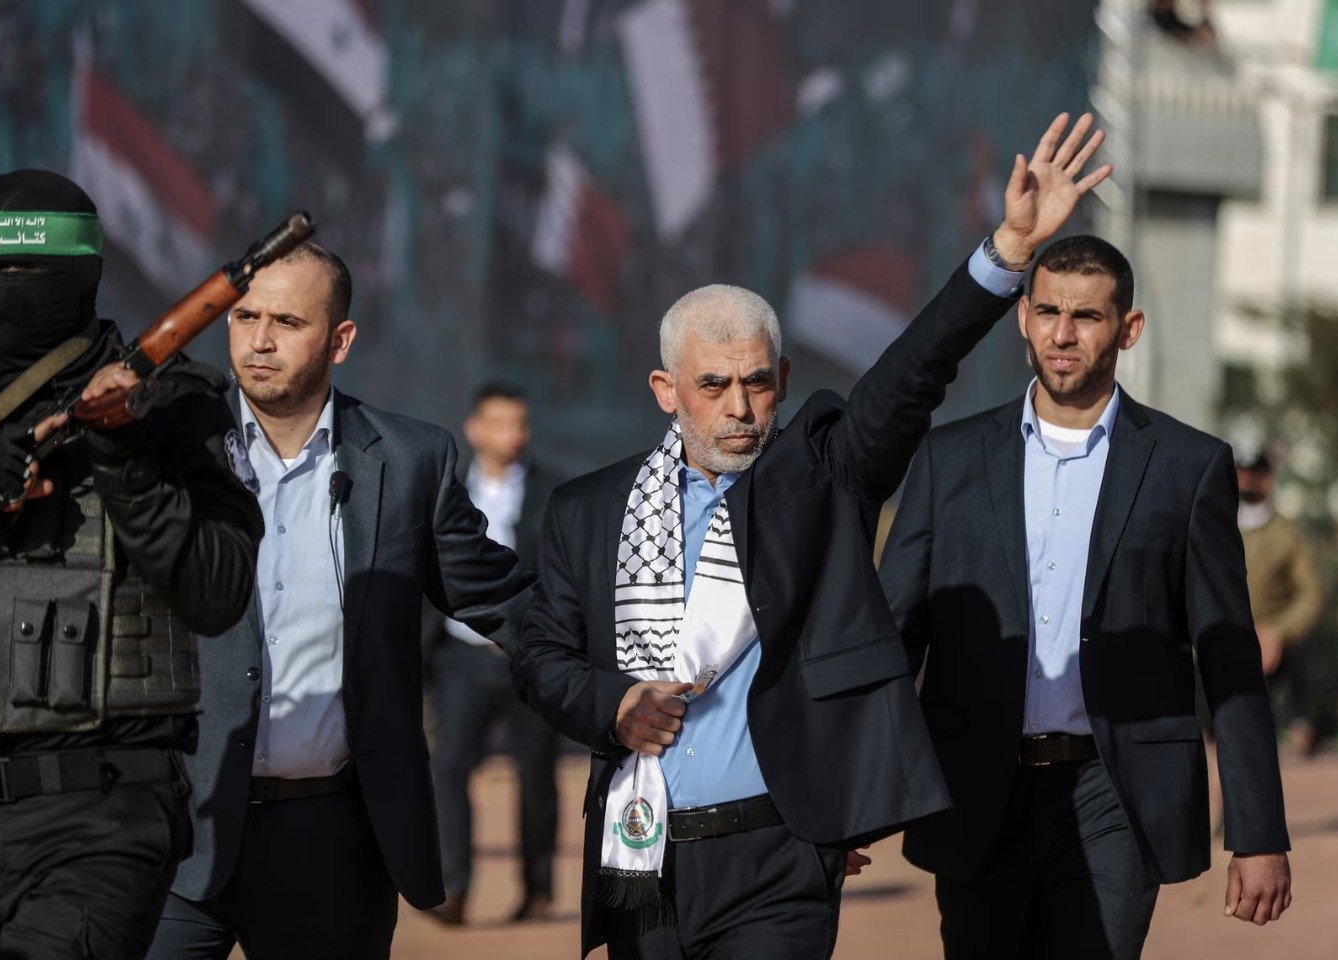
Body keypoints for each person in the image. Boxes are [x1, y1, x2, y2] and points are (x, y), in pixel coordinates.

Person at [512, 113, 1111, 960]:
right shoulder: (588, 511)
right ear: (665, 390)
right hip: (641, 855)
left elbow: (913, 374)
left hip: (780, 858)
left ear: (785, 379)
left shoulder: (823, 478)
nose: (740, 406)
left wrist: (1007, 252)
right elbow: (540, 657)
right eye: (713, 384)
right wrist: (611, 704)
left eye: (758, 382)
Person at [879, 234, 1292, 959]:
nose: (1062, 334)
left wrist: (1257, 834)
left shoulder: (1188, 467)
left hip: (1118, 795)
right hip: (976, 789)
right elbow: (893, 636)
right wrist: (856, 801)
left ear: (1127, 328)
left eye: (1087, 317)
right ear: (1023, 320)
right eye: (1047, 312)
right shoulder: (949, 459)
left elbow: (1228, 657)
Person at [146, 243, 535, 959]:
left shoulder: (411, 459)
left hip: (331, 840)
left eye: (287, 321)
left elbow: (501, 600)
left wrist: (617, 678)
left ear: (340, 340)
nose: (259, 340)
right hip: (173, 832)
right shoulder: (169, 450)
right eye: (244, 316)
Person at [0, 170, 263, 958]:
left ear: (85, 277)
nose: (9, 290)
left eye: (31, 273)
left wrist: (127, 463)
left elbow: (216, 591)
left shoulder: (177, 405)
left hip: (99, 815)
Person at [426, 381, 562, 926]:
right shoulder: (448, 489)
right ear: (475, 428)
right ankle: (453, 888)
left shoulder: (555, 492)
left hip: (529, 658)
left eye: (520, 423)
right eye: (501, 422)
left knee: (535, 773)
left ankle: (538, 888)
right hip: (461, 656)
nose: (513, 434)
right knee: (449, 766)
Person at [1237, 447, 1323, 753]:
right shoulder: (1214, 525)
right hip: (1221, 640)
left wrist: (1279, 631)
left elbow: (1310, 594)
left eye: (1254, 474)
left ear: (1267, 480)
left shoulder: (1287, 535)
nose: (1246, 481)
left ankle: (1297, 724)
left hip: (1274, 645)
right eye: (1241, 472)